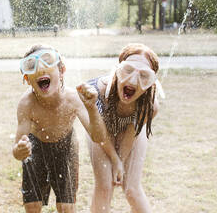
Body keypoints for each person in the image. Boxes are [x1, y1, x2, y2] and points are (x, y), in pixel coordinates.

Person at [12, 44, 123, 213]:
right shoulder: (26, 104)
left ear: (62, 71)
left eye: (47, 64)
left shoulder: (72, 99)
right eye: (33, 68)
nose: (41, 70)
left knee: (66, 207)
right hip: (36, 146)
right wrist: (21, 150)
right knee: (32, 206)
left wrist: (92, 108)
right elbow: (17, 152)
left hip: (66, 146)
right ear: (27, 80)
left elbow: (98, 137)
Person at [87, 43, 160, 213]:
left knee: (132, 190)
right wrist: (114, 160)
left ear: (150, 82)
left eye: (143, 76)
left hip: (130, 131)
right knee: (105, 185)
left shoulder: (149, 106)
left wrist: (121, 160)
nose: (133, 80)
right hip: (101, 132)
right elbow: (101, 136)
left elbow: (131, 134)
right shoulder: (98, 91)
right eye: (128, 70)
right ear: (118, 69)